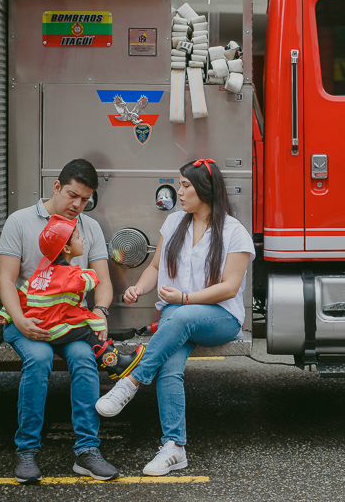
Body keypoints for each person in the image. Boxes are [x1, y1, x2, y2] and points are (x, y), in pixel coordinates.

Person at [95, 158, 255, 476]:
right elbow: (155, 268)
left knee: (179, 318)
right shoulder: (174, 222)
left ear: (205, 191)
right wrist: (138, 289)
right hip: (176, 311)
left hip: (219, 318)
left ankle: (131, 380)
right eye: (179, 184)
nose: (178, 192)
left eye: (185, 185)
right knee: (169, 366)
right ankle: (174, 448)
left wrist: (184, 299)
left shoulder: (235, 233)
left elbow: (229, 288)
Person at [0, 159, 119, 484]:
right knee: (38, 359)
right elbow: (6, 281)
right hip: (29, 316)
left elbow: (103, 283)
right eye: (72, 195)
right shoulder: (19, 221)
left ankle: (87, 452)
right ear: (56, 187)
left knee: (84, 358)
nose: (77, 205)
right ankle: (26, 451)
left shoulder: (88, 227)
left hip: (68, 322)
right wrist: (21, 322)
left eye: (84, 199)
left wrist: (100, 311)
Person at [0, 214, 145, 382]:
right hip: (55, 328)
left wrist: (6, 313)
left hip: (43, 323)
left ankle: (113, 364)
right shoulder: (69, 275)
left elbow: (23, 294)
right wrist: (84, 271)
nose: (82, 239)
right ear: (67, 249)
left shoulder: (41, 273)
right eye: (77, 237)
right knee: (89, 334)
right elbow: (93, 280)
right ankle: (117, 363)